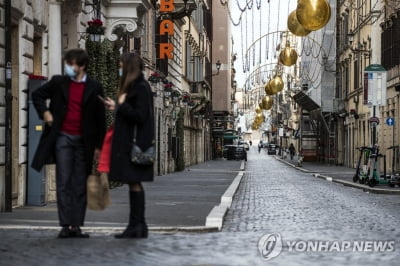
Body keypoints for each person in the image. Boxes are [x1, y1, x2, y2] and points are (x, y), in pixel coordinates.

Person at [31, 48, 106, 238]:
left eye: (71, 64)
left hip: (84, 141)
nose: (68, 68)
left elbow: (100, 118)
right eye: (67, 63)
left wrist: (99, 146)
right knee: (63, 181)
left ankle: (77, 225)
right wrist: (45, 113)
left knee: (80, 183)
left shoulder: (95, 87)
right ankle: (65, 225)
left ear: (81, 66)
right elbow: (37, 95)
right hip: (62, 137)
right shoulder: (58, 82)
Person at [103, 52, 154, 238]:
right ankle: (137, 225)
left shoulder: (140, 87)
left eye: (121, 65)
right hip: (132, 144)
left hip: (134, 146)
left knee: (135, 183)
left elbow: (140, 115)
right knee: (134, 183)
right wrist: (116, 106)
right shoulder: (138, 86)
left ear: (128, 67)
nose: (119, 69)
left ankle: (137, 225)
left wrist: (121, 106)